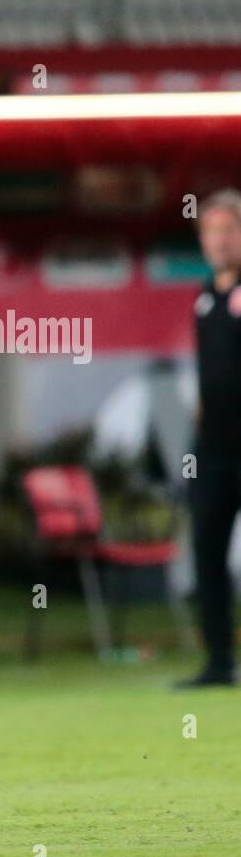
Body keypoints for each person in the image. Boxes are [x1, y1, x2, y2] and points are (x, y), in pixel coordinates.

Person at [178, 189, 241, 689]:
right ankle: (219, 662)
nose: (219, 241)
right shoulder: (205, 297)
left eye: (229, 230)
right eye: (211, 231)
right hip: (213, 453)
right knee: (205, 551)